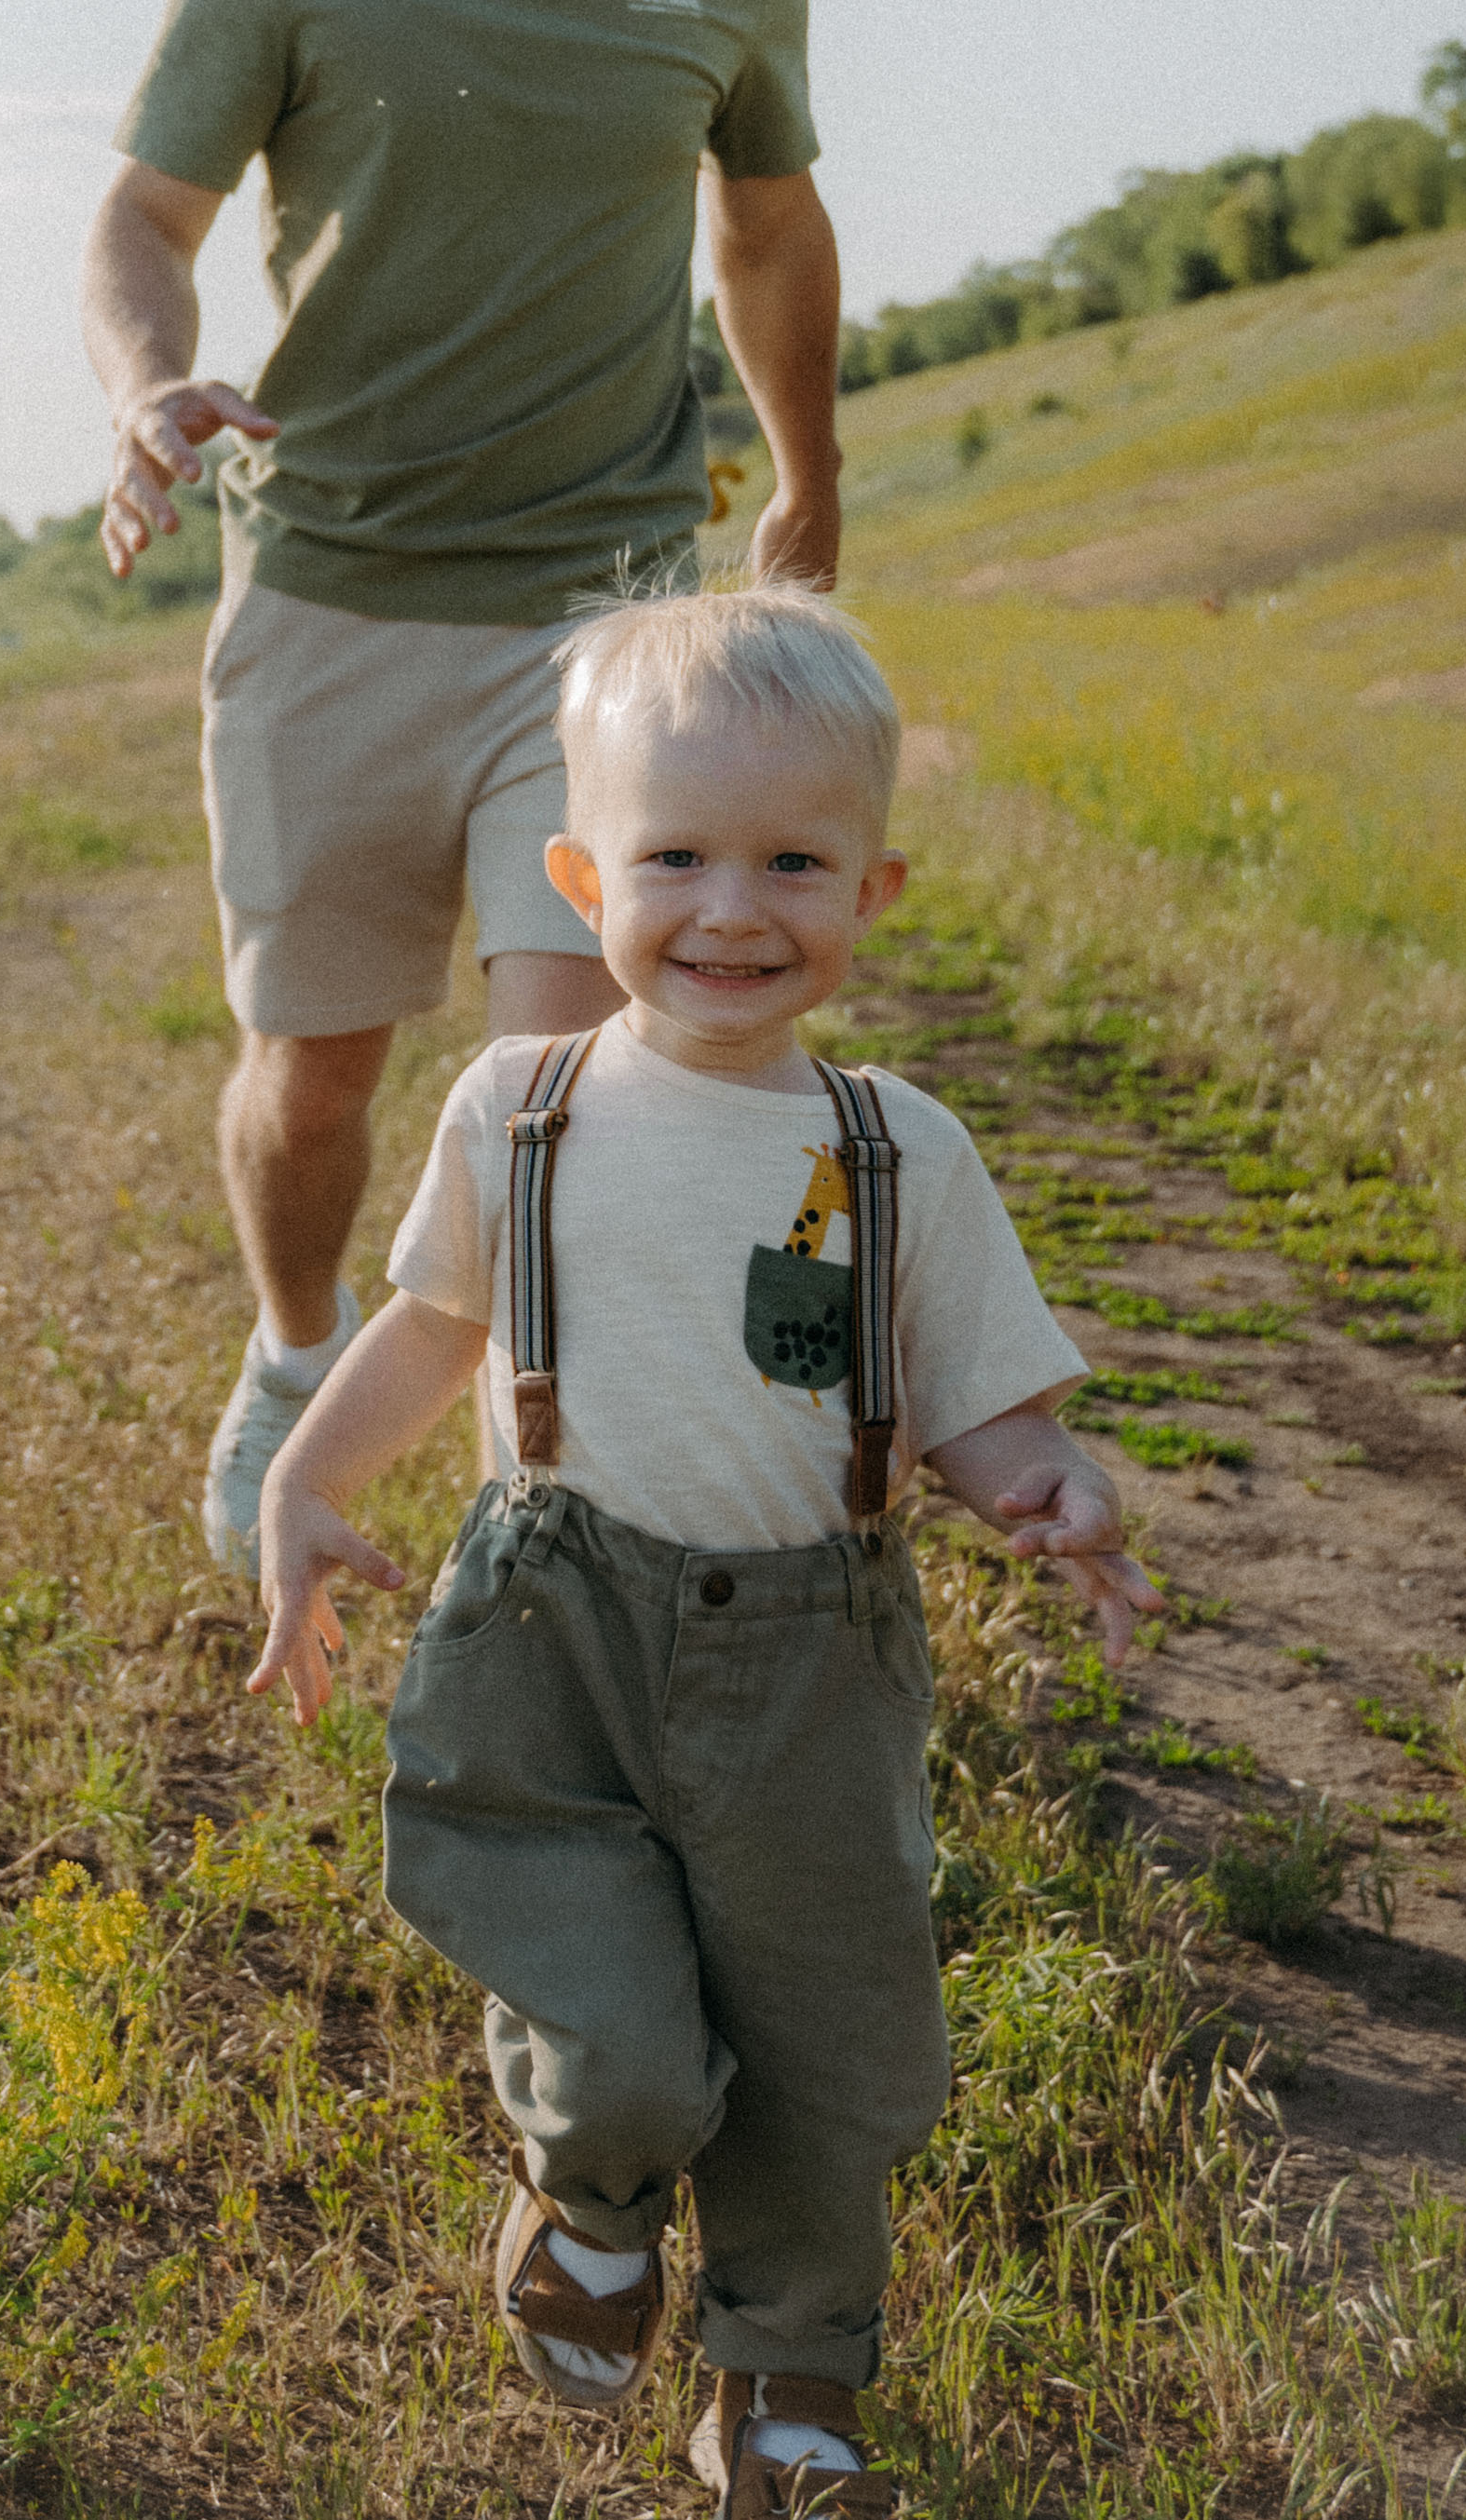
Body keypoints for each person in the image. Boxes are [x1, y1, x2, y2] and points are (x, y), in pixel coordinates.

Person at [245, 582, 1161, 2517]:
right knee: (620, 2023)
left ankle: (787, 2372)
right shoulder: (524, 1106)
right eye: (674, 854)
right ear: (581, 871)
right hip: (552, 1630)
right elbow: (425, 1328)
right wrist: (307, 1481)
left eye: (790, 859)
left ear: (870, 885)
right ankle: (588, 2191)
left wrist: (1041, 1479)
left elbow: (974, 1393)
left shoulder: (895, 1143)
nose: (730, 907)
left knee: (828, 2043)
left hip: (810, 1663)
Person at [81, 0, 845, 1574]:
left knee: (548, 1080)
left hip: (598, 607)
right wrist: (149, 381)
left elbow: (764, 224)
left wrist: (808, 470)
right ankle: (288, 1347)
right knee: (314, 1072)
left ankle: (546, 1511)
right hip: (329, 581)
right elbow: (143, 222)